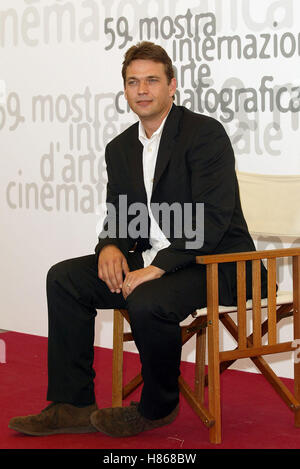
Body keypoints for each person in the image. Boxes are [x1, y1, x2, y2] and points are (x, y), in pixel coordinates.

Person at [8, 41, 267, 438]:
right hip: (151, 261)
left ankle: (156, 407)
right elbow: (118, 214)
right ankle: (72, 404)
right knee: (64, 279)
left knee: (149, 298)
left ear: (172, 86)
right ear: (125, 90)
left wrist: (157, 267)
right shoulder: (120, 148)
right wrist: (110, 245)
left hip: (217, 264)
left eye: (151, 80)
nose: (142, 89)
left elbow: (213, 221)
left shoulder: (204, 134)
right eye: (133, 82)